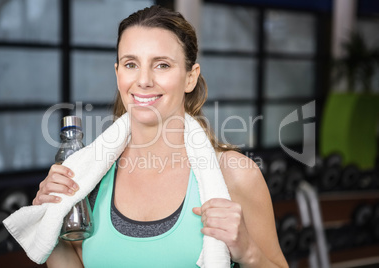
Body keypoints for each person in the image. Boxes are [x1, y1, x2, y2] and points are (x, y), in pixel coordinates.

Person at [33, 5, 288, 268]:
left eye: (162, 65)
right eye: (131, 64)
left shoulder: (234, 174)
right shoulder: (86, 177)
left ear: (190, 77)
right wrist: (49, 220)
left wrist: (248, 252)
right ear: (118, 73)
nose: (143, 80)